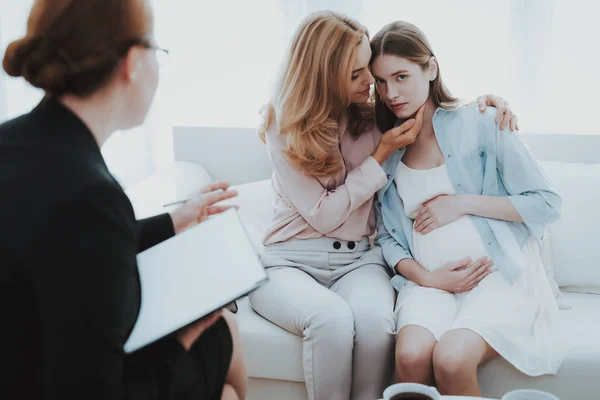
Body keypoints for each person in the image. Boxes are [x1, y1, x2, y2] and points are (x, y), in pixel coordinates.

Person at [249, 10, 519, 400]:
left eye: (370, 73)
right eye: (358, 74)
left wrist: (487, 105)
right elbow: (323, 215)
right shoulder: (283, 126)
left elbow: (427, 108)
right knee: (331, 320)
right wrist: (380, 156)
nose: (372, 84)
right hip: (290, 260)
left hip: (359, 260)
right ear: (325, 75)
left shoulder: (374, 114)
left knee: (378, 324)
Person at [0, 1, 246, 399]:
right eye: (157, 52)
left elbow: (63, 242)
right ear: (132, 62)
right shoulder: (90, 193)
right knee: (222, 349)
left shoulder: (14, 143)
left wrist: (174, 221)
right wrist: (184, 338)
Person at [370, 21, 565, 396]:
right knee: (410, 356)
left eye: (401, 76)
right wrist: (427, 278)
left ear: (431, 68)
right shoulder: (386, 144)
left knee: (451, 359)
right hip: (429, 283)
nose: (391, 93)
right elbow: (388, 237)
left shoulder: (481, 121)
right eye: (380, 82)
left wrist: (459, 203)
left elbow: (546, 203)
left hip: (496, 277)